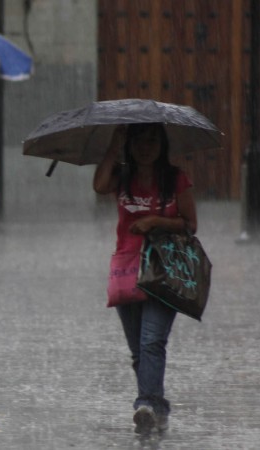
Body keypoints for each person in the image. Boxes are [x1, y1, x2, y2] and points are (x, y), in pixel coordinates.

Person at [92, 123, 197, 434]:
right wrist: (113, 146)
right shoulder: (122, 176)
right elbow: (99, 185)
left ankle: (145, 403)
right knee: (140, 349)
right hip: (127, 269)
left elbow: (190, 224)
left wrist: (155, 221)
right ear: (130, 144)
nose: (145, 147)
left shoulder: (175, 179)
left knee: (152, 341)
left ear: (162, 145)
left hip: (165, 270)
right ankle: (157, 405)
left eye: (152, 140)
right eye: (139, 141)